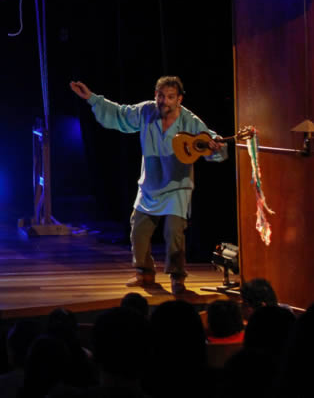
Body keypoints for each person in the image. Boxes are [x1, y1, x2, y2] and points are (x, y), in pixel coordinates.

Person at [70, 76, 226, 296]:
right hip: (150, 184)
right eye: (160, 95)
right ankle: (145, 272)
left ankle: (177, 277)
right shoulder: (146, 111)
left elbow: (207, 138)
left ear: (179, 99)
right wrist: (92, 99)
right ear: (156, 95)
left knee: (174, 232)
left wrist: (214, 143)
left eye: (170, 97)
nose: (164, 101)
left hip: (178, 186)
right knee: (139, 230)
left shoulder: (188, 120)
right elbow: (120, 114)